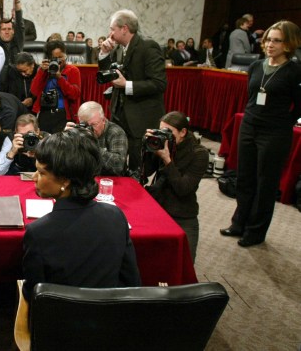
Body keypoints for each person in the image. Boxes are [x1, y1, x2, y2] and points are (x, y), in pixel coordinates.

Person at [21, 127, 141, 301]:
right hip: (109, 319)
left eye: (41, 172)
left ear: (65, 181)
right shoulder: (116, 216)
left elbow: (34, 294)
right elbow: (131, 281)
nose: (34, 178)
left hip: (60, 323)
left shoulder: (38, 232)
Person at [220, 20, 301, 247]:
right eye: (268, 40)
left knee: (265, 183)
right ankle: (239, 223)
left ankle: (255, 232)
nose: (269, 45)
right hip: (249, 126)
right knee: (244, 177)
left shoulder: (295, 71)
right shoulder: (256, 66)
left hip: (275, 132)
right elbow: (252, 97)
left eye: (277, 40)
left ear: (289, 44)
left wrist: (283, 121)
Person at [98, 9, 167, 172]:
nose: (110, 34)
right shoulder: (119, 47)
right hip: (119, 115)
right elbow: (108, 75)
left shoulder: (148, 46)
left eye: (112, 29)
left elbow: (159, 83)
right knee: (116, 161)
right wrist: (104, 54)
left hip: (139, 117)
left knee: (137, 167)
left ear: (124, 28)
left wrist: (127, 85)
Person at [142, 111, 208, 262]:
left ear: (183, 132)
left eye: (168, 132)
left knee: (185, 262)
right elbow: (146, 172)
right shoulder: (162, 143)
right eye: (161, 131)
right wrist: (148, 147)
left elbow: (183, 188)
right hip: (158, 205)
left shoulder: (199, 154)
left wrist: (167, 159)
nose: (164, 136)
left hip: (183, 212)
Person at [30, 39, 81, 134]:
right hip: (45, 113)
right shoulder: (44, 70)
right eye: (55, 58)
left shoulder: (72, 70)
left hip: (64, 114)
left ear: (65, 55)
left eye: (61, 57)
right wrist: (41, 71)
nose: (59, 61)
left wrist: (59, 78)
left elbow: (74, 94)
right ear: (49, 58)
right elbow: (34, 91)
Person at [66, 101, 128, 176]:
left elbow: (118, 166)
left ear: (103, 120)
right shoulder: (79, 132)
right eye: (85, 125)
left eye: (93, 124)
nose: (89, 129)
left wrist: (91, 146)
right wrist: (65, 139)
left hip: (109, 179)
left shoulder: (116, 132)